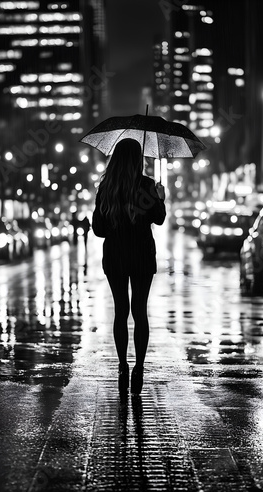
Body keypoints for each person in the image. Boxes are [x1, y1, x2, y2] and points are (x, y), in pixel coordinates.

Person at [92, 138, 166, 395]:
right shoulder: (146, 185)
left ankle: (122, 365)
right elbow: (159, 219)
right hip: (142, 256)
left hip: (115, 256)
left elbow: (99, 230)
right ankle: (139, 368)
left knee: (120, 311)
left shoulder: (107, 187)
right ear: (138, 159)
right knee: (140, 311)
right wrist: (161, 198)